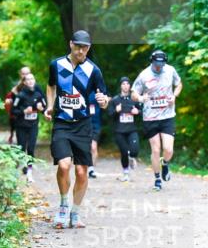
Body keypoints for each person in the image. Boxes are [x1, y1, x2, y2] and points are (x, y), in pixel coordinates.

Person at [45, 30, 109, 228]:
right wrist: (50, 105)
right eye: (77, 46)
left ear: (89, 48)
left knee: (82, 172)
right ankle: (64, 206)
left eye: (85, 47)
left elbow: (104, 98)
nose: (80, 51)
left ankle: (75, 212)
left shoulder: (93, 70)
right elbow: (50, 86)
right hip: (62, 123)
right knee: (64, 165)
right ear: (71, 44)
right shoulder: (56, 65)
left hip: (82, 124)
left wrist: (103, 101)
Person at [132, 50, 182, 191]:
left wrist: (174, 95)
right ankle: (157, 179)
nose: (159, 67)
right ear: (151, 62)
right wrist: (140, 98)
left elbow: (179, 84)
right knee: (155, 149)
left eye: (161, 64)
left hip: (167, 116)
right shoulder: (144, 75)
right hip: (150, 117)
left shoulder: (170, 70)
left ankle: (165, 163)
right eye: (156, 64)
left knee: (168, 149)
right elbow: (133, 92)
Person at [11, 72, 46, 182]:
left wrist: (42, 109)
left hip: (33, 126)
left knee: (31, 148)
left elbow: (45, 108)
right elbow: (13, 110)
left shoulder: (38, 95)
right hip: (21, 126)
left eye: (32, 79)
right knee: (21, 149)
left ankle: (29, 173)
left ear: (34, 81)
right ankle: (16, 171)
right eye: (28, 79)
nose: (31, 81)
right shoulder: (20, 95)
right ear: (25, 82)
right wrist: (23, 111)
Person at [109, 76, 142, 181]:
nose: (126, 86)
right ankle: (126, 173)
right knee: (123, 152)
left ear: (130, 86)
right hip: (119, 131)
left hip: (132, 130)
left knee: (135, 149)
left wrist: (138, 112)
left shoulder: (134, 99)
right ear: (120, 86)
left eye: (127, 84)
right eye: (123, 84)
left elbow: (142, 112)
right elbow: (109, 114)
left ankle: (132, 158)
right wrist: (116, 111)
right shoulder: (115, 100)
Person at [87, 89, 102, 179]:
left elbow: (107, 98)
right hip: (84, 123)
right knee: (85, 148)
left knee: (93, 147)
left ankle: (91, 169)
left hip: (95, 124)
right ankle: (86, 167)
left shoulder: (97, 90)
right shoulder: (81, 88)